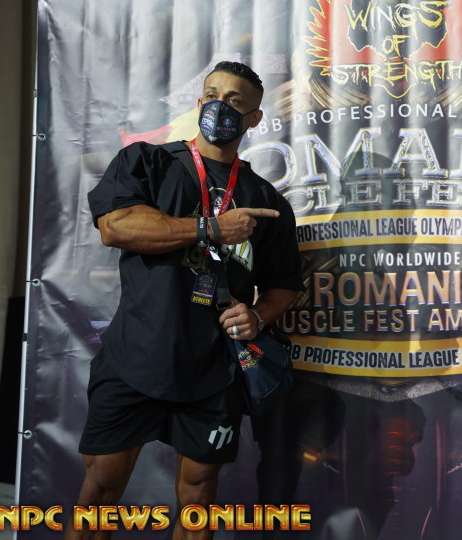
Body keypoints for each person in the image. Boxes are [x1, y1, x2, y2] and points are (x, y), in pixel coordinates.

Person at [70, 61, 303, 539]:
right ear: (199, 102)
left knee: (198, 497)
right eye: (212, 95)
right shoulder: (149, 162)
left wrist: (258, 316)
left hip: (213, 369)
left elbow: (285, 285)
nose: (219, 106)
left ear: (254, 118)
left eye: (234, 101)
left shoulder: (266, 200)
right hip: (135, 356)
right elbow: (115, 227)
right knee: (101, 489)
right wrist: (210, 228)